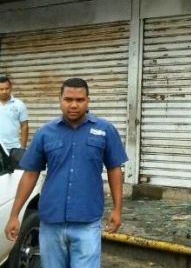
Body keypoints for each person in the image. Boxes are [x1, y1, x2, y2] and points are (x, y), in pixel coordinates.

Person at [4, 77, 128, 268]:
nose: (74, 105)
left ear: (88, 101)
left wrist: (117, 209)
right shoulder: (45, 133)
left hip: (87, 221)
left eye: (79, 100)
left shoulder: (105, 130)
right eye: (68, 99)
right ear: (60, 100)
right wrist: (14, 214)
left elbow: (114, 170)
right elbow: (30, 174)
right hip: (51, 221)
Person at [0, 75, 29, 151]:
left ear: (11, 88)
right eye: (1, 89)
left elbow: (24, 126)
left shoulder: (19, 104)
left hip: (14, 147)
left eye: (7, 88)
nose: (4, 91)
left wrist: (22, 148)